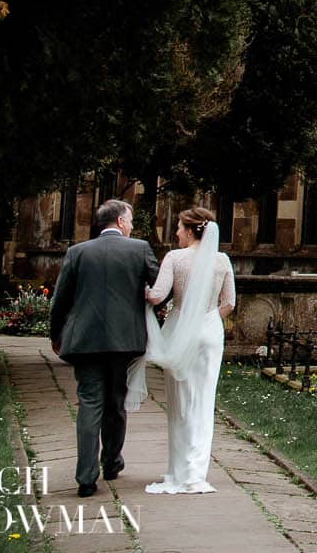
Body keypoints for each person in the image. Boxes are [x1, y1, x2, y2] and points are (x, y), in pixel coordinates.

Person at [48, 198, 160, 498]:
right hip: (125, 341)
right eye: (132, 220)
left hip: (84, 341)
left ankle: (86, 477)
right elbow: (160, 288)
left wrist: (55, 334)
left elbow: (61, 299)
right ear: (121, 222)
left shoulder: (77, 252)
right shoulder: (140, 249)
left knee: (89, 403)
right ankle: (111, 462)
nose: (133, 225)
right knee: (116, 401)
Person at [135, 206, 235, 495]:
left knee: (179, 403)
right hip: (210, 332)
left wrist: (142, 290)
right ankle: (196, 475)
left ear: (190, 230)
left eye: (178, 227)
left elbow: (156, 296)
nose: (176, 232)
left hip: (180, 333)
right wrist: (207, 319)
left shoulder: (175, 258)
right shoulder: (222, 261)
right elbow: (229, 303)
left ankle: (179, 471)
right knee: (204, 402)